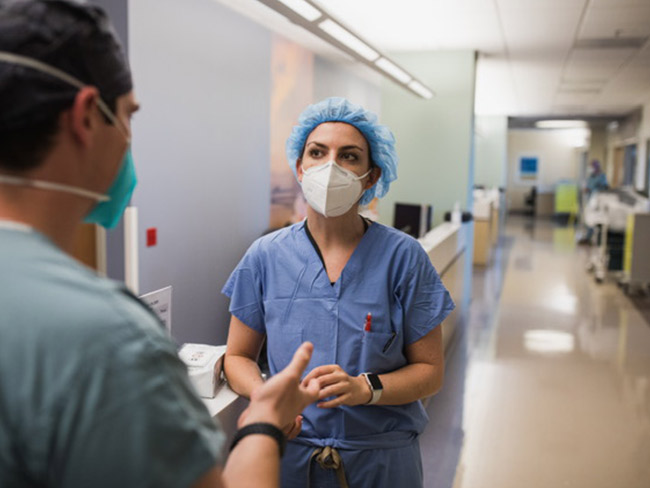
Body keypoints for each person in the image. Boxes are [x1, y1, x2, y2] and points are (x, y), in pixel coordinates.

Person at [0, 1, 319, 487]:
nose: (129, 138)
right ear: (87, 116)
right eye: (127, 116)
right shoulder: (107, 340)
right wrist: (265, 419)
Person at [223, 97, 455, 487]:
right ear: (300, 167)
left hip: (381, 460)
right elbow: (237, 356)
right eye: (317, 152)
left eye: (349, 156)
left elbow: (430, 372)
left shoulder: (404, 258)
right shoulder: (265, 255)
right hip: (290, 454)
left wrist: (365, 388)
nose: (330, 166)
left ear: (370, 176)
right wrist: (270, 403)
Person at [579, 159, 609, 244]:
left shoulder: (602, 176)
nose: (590, 168)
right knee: (589, 219)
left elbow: (604, 188)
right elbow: (588, 186)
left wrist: (593, 189)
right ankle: (588, 237)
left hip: (598, 202)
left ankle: (598, 239)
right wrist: (586, 189)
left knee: (597, 220)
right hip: (589, 200)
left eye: (592, 167)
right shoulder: (591, 176)